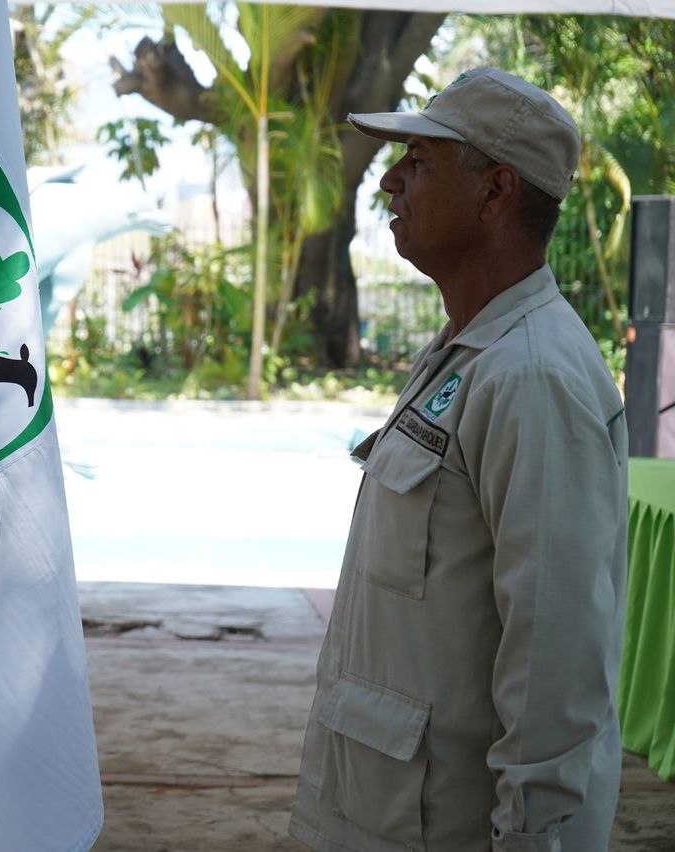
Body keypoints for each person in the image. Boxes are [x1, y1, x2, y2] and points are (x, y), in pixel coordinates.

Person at [290, 67, 628, 852]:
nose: (390, 182)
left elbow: (556, 668)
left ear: (495, 190)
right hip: (381, 813)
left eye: (420, 159)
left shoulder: (534, 378)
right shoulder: (468, 354)